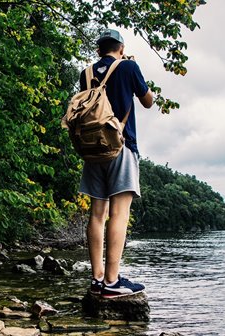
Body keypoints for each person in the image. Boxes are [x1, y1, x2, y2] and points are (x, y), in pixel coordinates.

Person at [79, 29, 153, 298]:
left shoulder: (85, 73)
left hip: (92, 149)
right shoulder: (129, 66)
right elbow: (147, 101)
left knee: (97, 213)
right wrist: (129, 66)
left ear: (99, 49)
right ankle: (112, 281)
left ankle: (97, 278)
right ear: (121, 47)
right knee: (119, 213)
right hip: (121, 146)